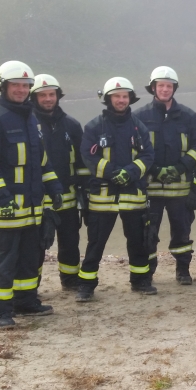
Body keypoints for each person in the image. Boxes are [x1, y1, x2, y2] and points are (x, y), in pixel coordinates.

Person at [0, 60, 64, 329]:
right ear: (3, 87)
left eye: (26, 86)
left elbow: (41, 161)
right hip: (4, 208)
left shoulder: (30, 119)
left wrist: (55, 188)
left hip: (32, 208)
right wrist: (1, 197)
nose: (22, 90)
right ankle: (0, 309)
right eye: (16, 85)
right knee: (4, 260)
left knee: (29, 259)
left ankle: (25, 301)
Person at [76, 77, 155, 301]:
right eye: (117, 96)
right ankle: (86, 286)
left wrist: (129, 173)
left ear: (130, 98)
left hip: (133, 196)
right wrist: (112, 174)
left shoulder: (139, 127)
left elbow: (148, 155)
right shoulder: (93, 127)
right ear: (108, 99)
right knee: (95, 244)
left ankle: (140, 281)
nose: (121, 100)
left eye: (125, 96)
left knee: (138, 242)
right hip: (102, 197)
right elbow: (88, 157)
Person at [135, 66, 196, 285]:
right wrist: (155, 170)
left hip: (181, 189)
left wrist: (181, 168)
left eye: (169, 86)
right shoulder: (139, 116)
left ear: (174, 88)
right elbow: (135, 150)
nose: (165, 89)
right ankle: (147, 273)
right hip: (150, 189)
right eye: (161, 85)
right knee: (148, 234)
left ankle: (183, 270)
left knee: (182, 233)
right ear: (153, 87)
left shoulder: (188, 116)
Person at [30, 74, 89, 291]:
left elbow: (82, 164)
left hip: (68, 197)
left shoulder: (71, 125)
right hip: (38, 201)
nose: (48, 99)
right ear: (33, 97)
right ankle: (31, 287)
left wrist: (85, 192)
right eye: (43, 95)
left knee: (70, 243)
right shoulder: (28, 124)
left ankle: (70, 281)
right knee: (36, 246)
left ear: (58, 96)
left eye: (51, 94)